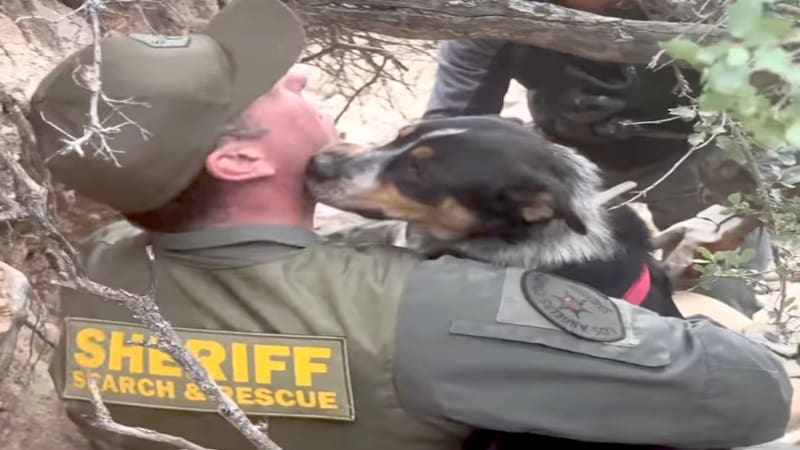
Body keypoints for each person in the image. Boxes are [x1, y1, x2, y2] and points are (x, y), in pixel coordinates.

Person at [28, 0, 794, 449]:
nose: (294, 73)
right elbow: (754, 396)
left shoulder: (96, 272)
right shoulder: (435, 313)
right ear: (236, 160)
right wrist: (695, 306)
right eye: (263, 89)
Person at [423, 0, 774, 318]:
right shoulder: (492, 10)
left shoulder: (702, 7)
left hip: (695, 155)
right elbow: (451, 131)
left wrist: (734, 216)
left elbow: (777, 113)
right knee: (555, 296)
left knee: (722, 287)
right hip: (567, 159)